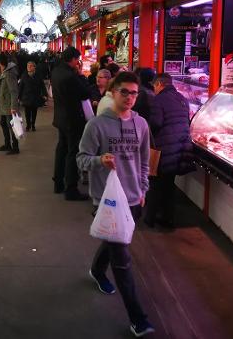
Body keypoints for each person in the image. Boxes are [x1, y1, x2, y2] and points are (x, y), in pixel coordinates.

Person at [76, 71, 154, 337]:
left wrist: (144, 188)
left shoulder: (141, 124)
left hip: (134, 197)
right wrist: (100, 161)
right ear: (112, 92)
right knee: (122, 258)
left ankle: (97, 269)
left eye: (134, 93)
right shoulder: (97, 125)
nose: (130, 98)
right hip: (106, 198)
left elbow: (144, 161)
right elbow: (81, 159)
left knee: (114, 241)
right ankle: (138, 319)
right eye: (124, 92)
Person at [146, 73, 193, 229]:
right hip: (180, 148)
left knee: (155, 184)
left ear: (159, 84)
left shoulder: (158, 100)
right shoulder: (183, 99)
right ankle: (168, 219)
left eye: (154, 86)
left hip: (163, 148)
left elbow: (156, 123)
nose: (153, 89)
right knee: (169, 185)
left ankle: (150, 218)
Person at [51, 46, 91, 200]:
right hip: (73, 119)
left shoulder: (56, 71)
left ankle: (58, 182)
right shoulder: (71, 76)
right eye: (77, 60)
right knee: (72, 153)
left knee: (61, 149)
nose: (77, 63)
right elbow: (85, 93)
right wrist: (81, 75)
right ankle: (71, 189)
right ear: (73, 59)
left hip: (60, 117)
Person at [0, 53, 20, 155]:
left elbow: (14, 91)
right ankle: (7, 144)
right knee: (3, 123)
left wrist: (13, 107)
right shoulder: (5, 71)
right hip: (4, 105)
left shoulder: (9, 74)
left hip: (9, 105)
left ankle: (15, 147)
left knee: (11, 126)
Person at [18, 61, 47, 132]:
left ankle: (33, 124)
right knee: (27, 113)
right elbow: (20, 87)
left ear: (34, 67)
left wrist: (44, 94)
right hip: (26, 97)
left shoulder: (38, 75)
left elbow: (42, 86)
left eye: (31, 66)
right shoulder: (24, 75)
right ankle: (28, 125)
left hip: (35, 97)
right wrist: (19, 97)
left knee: (34, 112)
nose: (29, 67)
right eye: (28, 66)